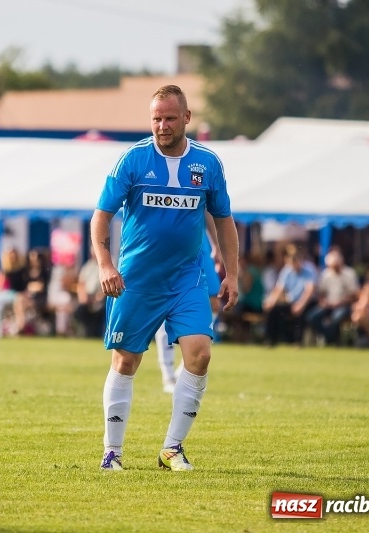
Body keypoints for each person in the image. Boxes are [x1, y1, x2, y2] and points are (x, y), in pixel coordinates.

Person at [91, 84, 239, 471]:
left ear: (187, 118)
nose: (162, 125)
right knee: (125, 362)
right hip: (136, 280)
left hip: (186, 280)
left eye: (170, 118)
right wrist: (106, 265)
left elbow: (224, 222)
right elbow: (100, 218)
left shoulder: (207, 164)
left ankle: (172, 448)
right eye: (156, 118)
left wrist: (232, 274)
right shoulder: (133, 161)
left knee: (200, 354)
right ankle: (112, 453)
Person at [155, 218, 221, 394]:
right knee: (164, 310)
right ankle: (167, 374)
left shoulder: (205, 190)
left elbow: (211, 212)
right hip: (168, 249)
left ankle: (184, 367)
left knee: (214, 304)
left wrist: (216, 245)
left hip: (199, 246)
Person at [262, 245, 317, 347]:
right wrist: (271, 301)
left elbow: (309, 291)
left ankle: (298, 342)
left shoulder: (309, 270)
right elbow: (279, 289)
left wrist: (301, 304)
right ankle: (271, 340)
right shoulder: (287, 270)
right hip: (292, 301)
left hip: (307, 301)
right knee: (274, 310)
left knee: (301, 313)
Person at [305, 248, 359, 346]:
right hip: (328, 305)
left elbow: (355, 295)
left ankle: (330, 339)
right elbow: (320, 292)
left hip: (344, 305)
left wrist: (341, 302)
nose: (334, 268)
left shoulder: (349, 273)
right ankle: (329, 337)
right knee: (312, 317)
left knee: (336, 317)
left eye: (336, 266)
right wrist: (323, 302)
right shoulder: (326, 274)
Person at [72, 248, 106, 338]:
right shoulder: (87, 267)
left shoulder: (107, 266)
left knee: (100, 311)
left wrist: (99, 296)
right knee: (79, 310)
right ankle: (86, 332)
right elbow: (81, 284)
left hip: (100, 297)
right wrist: (83, 297)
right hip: (87, 297)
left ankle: (96, 333)